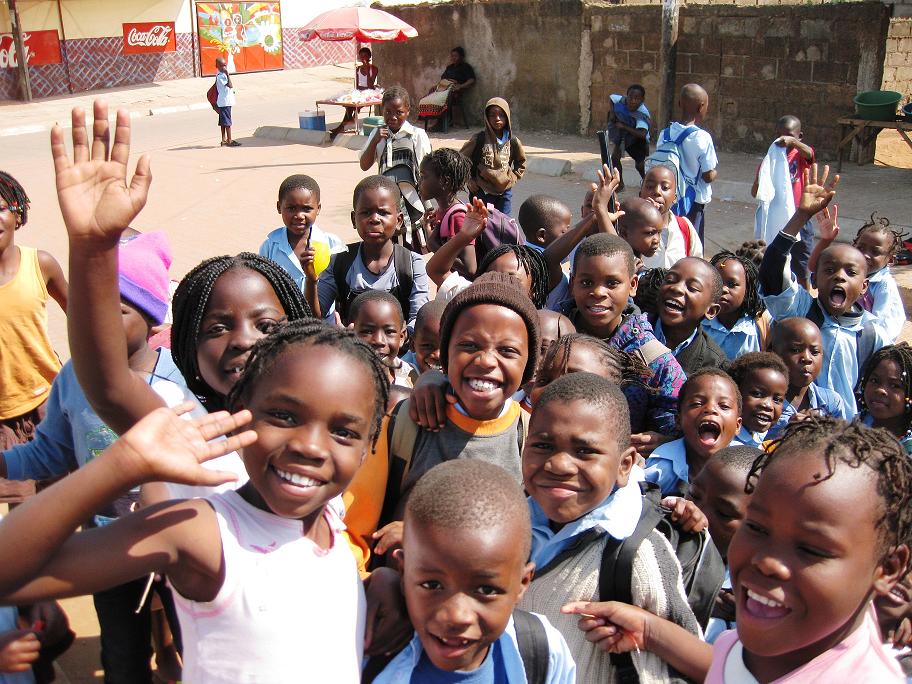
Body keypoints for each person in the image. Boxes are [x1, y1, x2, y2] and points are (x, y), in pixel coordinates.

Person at [0, 320, 401, 682]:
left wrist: (378, 580)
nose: (310, 447)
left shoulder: (330, 518)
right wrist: (121, 466)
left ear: (367, 447)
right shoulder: (206, 532)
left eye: (344, 432)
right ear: (241, 413)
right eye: (284, 416)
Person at [564, 416, 912, 683]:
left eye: (811, 549)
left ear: (889, 569)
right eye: (757, 528)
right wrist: (650, 630)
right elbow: (732, 668)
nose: (767, 562)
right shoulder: (797, 640)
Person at [1, 232, 181, 684]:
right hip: (106, 546)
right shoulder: (72, 378)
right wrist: (6, 465)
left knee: (195, 645)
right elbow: (51, 451)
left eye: (117, 309)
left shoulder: (180, 380)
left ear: (151, 317)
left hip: (177, 544)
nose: (98, 318)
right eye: (89, 306)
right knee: (122, 657)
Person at [340, 272, 540, 574]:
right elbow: (353, 531)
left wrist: (423, 537)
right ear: (445, 354)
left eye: (507, 351)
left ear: (528, 366)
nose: (486, 361)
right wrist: (366, 583)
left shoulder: (531, 438)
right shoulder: (407, 422)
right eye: (469, 346)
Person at [520, 373, 701, 680]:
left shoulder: (638, 554)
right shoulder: (511, 524)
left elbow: (683, 662)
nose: (558, 465)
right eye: (542, 445)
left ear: (625, 465)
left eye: (584, 451)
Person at [366, 460, 576, 682]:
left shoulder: (542, 651)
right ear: (403, 572)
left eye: (486, 590)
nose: (456, 616)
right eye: (432, 585)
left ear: (522, 584)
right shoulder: (363, 650)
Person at [758, 164, 889, 414]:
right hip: (788, 423)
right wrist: (801, 216)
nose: (839, 276)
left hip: (844, 430)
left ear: (864, 287)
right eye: (829, 270)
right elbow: (771, 270)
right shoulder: (799, 310)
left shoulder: (872, 334)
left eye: (850, 273)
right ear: (815, 280)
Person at [561, 233, 686, 441]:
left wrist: (663, 440)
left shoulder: (651, 358)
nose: (598, 292)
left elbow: (677, 418)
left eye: (612, 283)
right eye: (586, 282)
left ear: (632, 285)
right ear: (572, 283)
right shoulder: (552, 336)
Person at [0, 171, 67, 459]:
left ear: (17, 215)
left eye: (1, 209)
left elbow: (82, 319)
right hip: (3, 420)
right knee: (18, 489)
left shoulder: (40, 264)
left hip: (49, 402)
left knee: (66, 484)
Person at [309, 175, 429, 331]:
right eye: (366, 213)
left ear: (399, 220)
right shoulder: (339, 262)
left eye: (383, 213)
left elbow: (419, 320)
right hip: (352, 343)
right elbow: (314, 316)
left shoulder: (411, 264)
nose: (374, 219)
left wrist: (403, 336)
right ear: (354, 219)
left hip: (398, 346)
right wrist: (311, 281)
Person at [687, 445, 760, 643]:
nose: (698, 513)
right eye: (694, 494)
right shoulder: (661, 538)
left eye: (724, 513)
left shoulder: (753, 590)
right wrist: (699, 600)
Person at [428, 199, 550, 308]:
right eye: (490, 277)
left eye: (510, 279)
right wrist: (464, 236)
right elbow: (436, 271)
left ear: (533, 290)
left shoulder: (541, 323)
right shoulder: (474, 298)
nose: (498, 284)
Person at [809, 210, 907, 342]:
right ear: (853, 246)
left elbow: (882, 326)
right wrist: (826, 240)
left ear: (890, 260)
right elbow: (814, 267)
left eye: (875, 252)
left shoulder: (884, 285)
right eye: (861, 248)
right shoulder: (846, 269)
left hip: (864, 341)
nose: (865, 255)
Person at [644, 368, 743, 496]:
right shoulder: (659, 468)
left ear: (737, 425)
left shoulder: (748, 468)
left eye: (724, 406)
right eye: (697, 403)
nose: (710, 409)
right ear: (678, 421)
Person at [526, 334, 652, 431]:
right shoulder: (518, 440)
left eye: (574, 382)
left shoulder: (616, 456)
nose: (552, 389)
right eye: (543, 380)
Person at [359, 86, 431, 248]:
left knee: (414, 244)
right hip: (386, 199)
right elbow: (364, 165)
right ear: (381, 110)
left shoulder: (417, 135)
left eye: (399, 112)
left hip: (412, 198)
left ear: (407, 111)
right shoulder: (377, 134)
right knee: (389, 243)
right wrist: (375, 141)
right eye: (388, 112)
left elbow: (425, 170)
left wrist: (427, 201)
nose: (392, 117)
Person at [751, 115, 814, 286]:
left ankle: (804, 297)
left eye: (788, 135)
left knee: (801, 265)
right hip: (777, 220)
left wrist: (793, 142)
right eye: (779, 135)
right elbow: (755, 192)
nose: (783, 140)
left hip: (800, 217)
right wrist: (760, 179)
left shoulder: (799, 156)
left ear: (800, 136)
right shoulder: (770, 160)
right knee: (774, 261)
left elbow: (809, 153)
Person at [258, 174, 346, 294]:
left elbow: (340, 285)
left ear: (318, 208)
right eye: (291, 208)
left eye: (307, 209)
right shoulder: (270, 246)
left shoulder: (331, 244)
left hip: (321, 306)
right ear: (279, 207)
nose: (299, 216)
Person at [654, 83, 718, 243]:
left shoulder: (665, 134)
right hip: (692, 201)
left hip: (670, 197)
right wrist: (715, 173)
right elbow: (708, 176)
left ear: (679, 103)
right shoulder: (702, 137)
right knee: (691, 241)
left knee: (670, 239)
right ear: (701, 107)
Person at [767, 317, 848, 438]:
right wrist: (787, 433)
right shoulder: (763, 404)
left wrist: (820, 430)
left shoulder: (831, 403)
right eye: (795, 350)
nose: (807, 358)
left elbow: (841, 443)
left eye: (814, 352)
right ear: (773, 353)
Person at [651, 256, 728, 375]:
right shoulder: (630, 328)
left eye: (693, 288)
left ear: (711, 311)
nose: (677, 288)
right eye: (670, 280)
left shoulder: (713, 364)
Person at [460, 98, 526, 215]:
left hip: (504, 190)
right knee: (484, 220)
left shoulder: (513, 141)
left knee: (504, 221)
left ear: (507, 117)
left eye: (501, 115)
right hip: (482, 190)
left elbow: (521, 162)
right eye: (492, 115)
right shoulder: (479, 139)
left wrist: (513, 177)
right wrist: (468, 179)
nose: (497, 119)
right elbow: (460, 160)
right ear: (486, 117)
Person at [703, 250, 771, 360]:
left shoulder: (759, 325)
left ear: (747, 290)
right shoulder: (698, 320)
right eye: (717, 282)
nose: (723, 289)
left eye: (731, 284)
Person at [420, 148, 476, 278]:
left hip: (464, 288)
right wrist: (428, 230)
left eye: (423, 177)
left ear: (445, 181)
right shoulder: (441, 211)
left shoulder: (458, 216)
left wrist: (434, 246)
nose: (419, 182)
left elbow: (470, 268)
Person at [348, 289, 417, 390]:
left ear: (401, 337)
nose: (379, 341)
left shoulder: (412, 377)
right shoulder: (339, 383)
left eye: (389, 332)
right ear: (351, 335)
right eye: (367, 331)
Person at [638, 164, 703, 269]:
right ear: (640, 194)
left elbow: (698, 265)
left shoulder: (684, 227)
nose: (657, 192)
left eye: (665, 188)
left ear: (675, 198)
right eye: (650, 186)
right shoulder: (632, 226)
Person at [857, 343, 912, 455]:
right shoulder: (852, 425)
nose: (880, 390)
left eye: (895, 385)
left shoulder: (908, 449)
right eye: (874, 381)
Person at [726, 352, 788, 449]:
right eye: (757, 394)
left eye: (777, 399)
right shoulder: (726, 443)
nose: (768, 405)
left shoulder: (761, 441)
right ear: (734, 392)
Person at [329, 47, 379, 141]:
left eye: (365, 56)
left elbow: (370, 85)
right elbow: (357, 85)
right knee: (348, 103)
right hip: (359, 92)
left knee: (353, 105)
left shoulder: (374, 69)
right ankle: (348, 121)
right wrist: (355, 93)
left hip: (369, 92)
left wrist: (367, 71)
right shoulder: (358, 69)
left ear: (369, 57)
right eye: (361, 56)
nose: (363, 58)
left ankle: (343, 125)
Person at [607, 84, 651, 190]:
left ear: (642, 100)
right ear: (626, 96)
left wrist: (624, 126)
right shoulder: (621, 100)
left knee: (639, 165)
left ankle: (648, 185)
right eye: (630, 97)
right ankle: (620, 184)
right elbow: (612, 98)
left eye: (637, 98)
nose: (633, 101)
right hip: (624, 137)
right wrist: (612, 113)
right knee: (615, 158)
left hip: (638, 141)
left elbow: (642, 134)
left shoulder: (642, 114)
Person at [420, 46, 476, 130]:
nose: (453, 58)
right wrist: (436, 86)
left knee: (442, 99)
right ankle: (432, 119)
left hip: (455, 91)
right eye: (452, 56)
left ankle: (442, 123)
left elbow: (472, 80)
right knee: (428, 97)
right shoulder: (449, 67)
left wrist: (460, 86)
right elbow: (443, 79)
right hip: (444, 88)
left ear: (461, 56)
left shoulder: (465, 67)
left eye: (456, 56)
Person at [616, 198, 664, 274]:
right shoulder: (620, 267)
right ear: (624, 233)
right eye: (649, 233)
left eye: (659, 232)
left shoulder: (638, 264)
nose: (657, 240)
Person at [402, 299, 445, 374]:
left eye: (446, 347)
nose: (438, 355)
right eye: (428, 346)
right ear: (412, 345)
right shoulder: (402, 374)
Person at [214, 57, 239, 147]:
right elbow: (230, 85)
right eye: (221, 66)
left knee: (223, 121)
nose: (224, 68)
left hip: (223, 101)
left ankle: (223, 139)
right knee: (227, 122)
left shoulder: (220, 74)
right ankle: (229, 140)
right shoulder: (221, 76)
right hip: (225, 102)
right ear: (217, 66)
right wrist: (228, 74)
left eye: (225, 65)